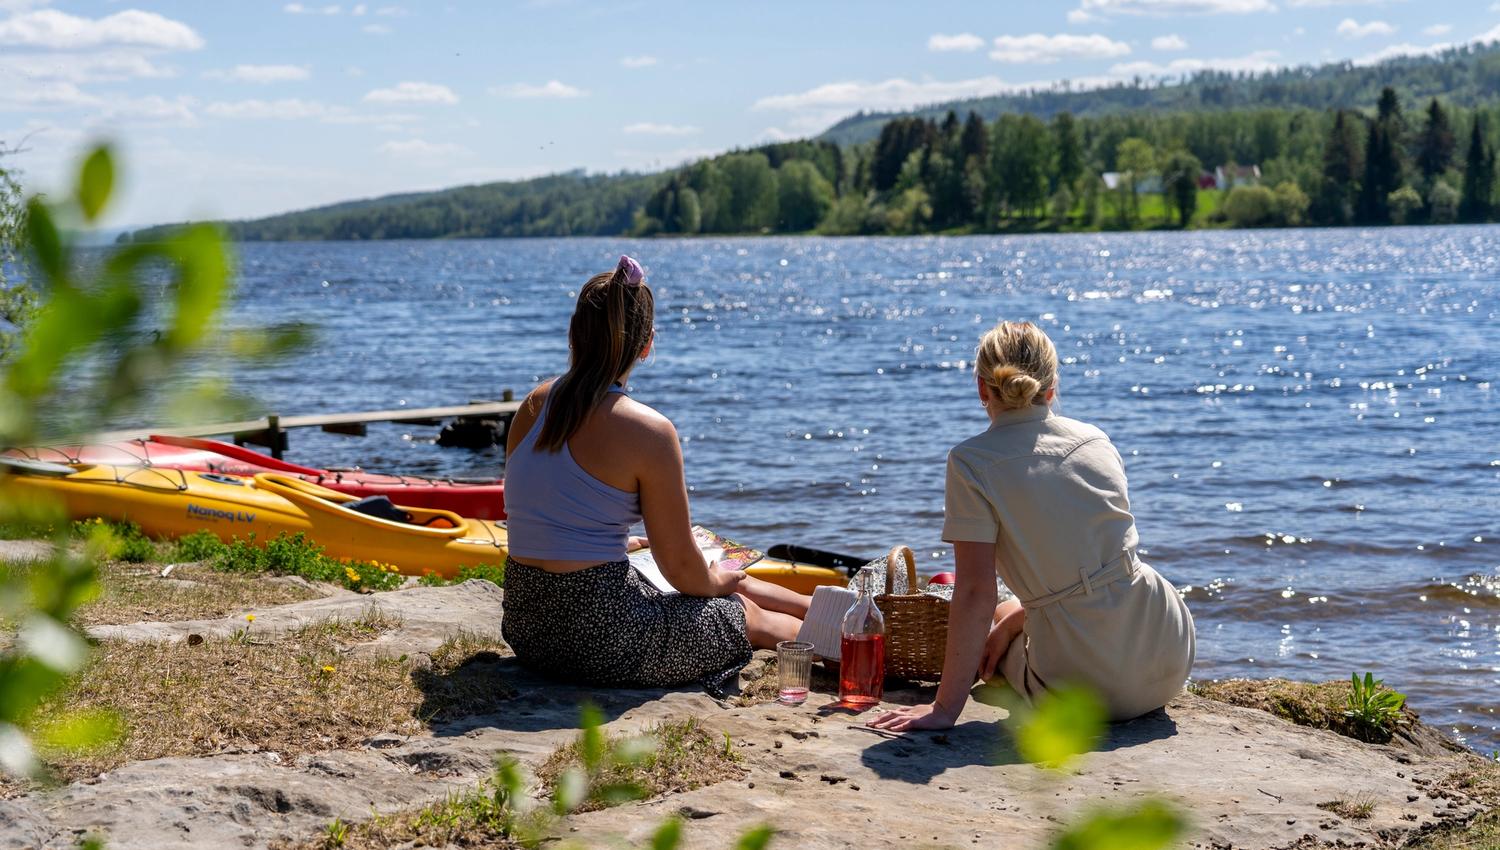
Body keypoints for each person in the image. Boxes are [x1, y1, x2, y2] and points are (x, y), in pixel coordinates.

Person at [501, 255, 811, 695]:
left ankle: (817, 605)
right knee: (740, 604)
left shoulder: (532, 406)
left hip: (530, 631)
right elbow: (685, 571)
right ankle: (858, 641)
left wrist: (609, 541)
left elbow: (535, 515)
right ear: (646, 344)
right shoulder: (648, 431)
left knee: (674, 569)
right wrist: (719, 582)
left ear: (573, 335)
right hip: (603, 645)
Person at [870, 321, 1195, 731]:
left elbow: (974, 592)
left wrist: (944, 709)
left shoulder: (972, 462)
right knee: (1014, 611)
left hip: (1086, 689)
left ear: (981, 389)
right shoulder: (1096, 440)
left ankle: (1013, 633)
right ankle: (1014, 623)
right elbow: (1085, 570)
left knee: (994, 635)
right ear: (1052, 387)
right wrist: (1011, 622)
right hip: (1167, 654)